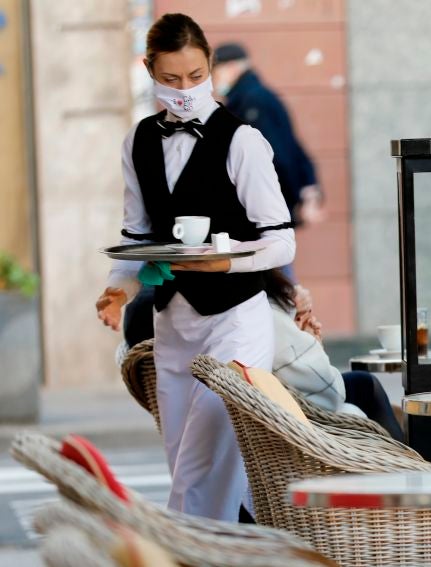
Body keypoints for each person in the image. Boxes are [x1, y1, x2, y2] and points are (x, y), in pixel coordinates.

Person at [96, 13, 295, 522]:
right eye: (170, 79)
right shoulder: (137, 141)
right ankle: (249, 548)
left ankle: (175, 548)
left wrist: (226, 262)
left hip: (236, 322)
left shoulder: (242, 140)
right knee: (186, 458)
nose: (185, 90)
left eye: (195, 76)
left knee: (201, 465)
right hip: (172, 323)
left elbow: (281, 242)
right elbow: (137, 234)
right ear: (148, 69)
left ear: (209, 67)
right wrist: (118, 288)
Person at [121, 272, 405, 442]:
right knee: (364, 385)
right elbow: (327, 392)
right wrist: (308, 343)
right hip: (285, 425)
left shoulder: (159, 319)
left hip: (227, 427)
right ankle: (417, 473)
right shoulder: (246, 307)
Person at [263, 270, 405, 441]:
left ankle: (404, 447)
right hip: (305, 410)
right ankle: (408, 458)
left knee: (364, 384)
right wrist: (311, 344)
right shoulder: (271, 313)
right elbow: (331, 392)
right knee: (367, 385)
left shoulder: (256, 311)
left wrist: (304, 338)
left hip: (290, 401)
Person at [212, 43, 322, 232]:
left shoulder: (253, 102)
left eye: (215, 71)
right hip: (269, 204)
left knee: (271, 256)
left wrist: (295, 198)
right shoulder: (253, 97)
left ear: (231, 68)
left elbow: (276, 154)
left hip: (265, 206)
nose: (213, 79)